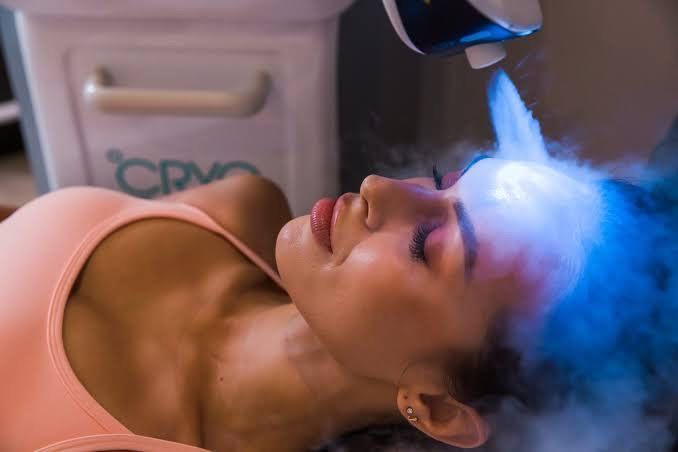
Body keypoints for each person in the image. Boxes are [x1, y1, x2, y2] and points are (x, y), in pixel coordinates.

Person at [0, 152, 673, 451]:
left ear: (435, 407)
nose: (381, 187)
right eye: (441, 181)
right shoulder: (239, 211)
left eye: (429, 243)